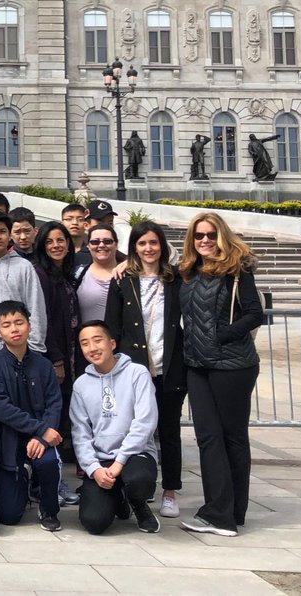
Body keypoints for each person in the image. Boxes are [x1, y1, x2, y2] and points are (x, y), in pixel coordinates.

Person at [177, 212, 263, 537]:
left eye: (211, 235)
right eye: (199, 236)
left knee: (232, 439)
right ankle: (228, 511)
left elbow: (255, 313)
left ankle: (224, 515)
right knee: (210, 438)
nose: (205, 241)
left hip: (233, 366)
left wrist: (221, 335)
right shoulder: (187, 271)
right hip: (198, 366)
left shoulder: (236, 270)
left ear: (221, 236)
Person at [104, 221, 186, 520]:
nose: (148, 249)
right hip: (133, 370)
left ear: (162, 246)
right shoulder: (123, 279)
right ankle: (129, 488)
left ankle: (170, 491)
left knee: (169, 430)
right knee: (129, 428)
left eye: (153, 243)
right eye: (142, 244)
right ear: (134, 248)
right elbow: (112, 325)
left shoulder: (176, 278)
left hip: (169, 367)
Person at [71, 321, 161, 535]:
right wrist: (94, 468)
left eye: (97, 340)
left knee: (138, 480)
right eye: (85, 343)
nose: (92, 348)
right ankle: (119, 498)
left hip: (135, 455)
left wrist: (119, 462)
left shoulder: (137, 373)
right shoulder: (81, 384)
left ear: (112, 343)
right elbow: (80, 433)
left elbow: (145, 422)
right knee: (94, 522)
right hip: (101, 459)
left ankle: (138, 504)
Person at [0, 301, 63, 531]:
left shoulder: (43, 365)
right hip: (8, 439)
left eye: (19, 322)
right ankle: (25, 479)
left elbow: (54, 403)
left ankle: (48, 507)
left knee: (48, 462)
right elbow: (1, 408)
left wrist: (43, 436)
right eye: (6, 325)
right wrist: (40, 429)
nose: (14, 329)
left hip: (40, 438)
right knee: (9, 515)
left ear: (29, 325)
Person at [32, 221, 82, 508]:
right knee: (52, 420)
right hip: (55, 359)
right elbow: (43, 320)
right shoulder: (42, 275)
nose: (56, 245)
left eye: (60, 240)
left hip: (73, 355)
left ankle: (52, 479)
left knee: (61, 419)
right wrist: (57, 359)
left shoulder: (65, 275)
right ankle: (49, 482)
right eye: (50, 241)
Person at [0, 210, 47, 392]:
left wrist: (34, 349)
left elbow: (36, 308)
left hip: (20, 349)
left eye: (2, 231)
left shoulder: (24, 266)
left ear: (9, 233)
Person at [77, 224, 120, 328]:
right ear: (88, 246)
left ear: (116, 244)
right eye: (95, 242)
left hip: (120, 341)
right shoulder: (77, 274)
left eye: (107, 241)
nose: (101, 245)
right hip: (86, 341)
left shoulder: (129, 275)